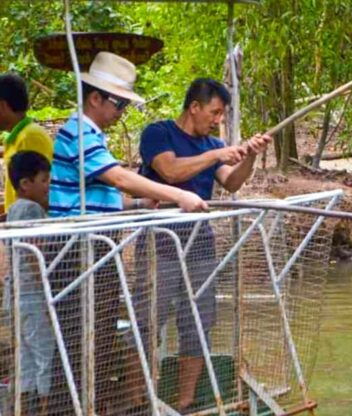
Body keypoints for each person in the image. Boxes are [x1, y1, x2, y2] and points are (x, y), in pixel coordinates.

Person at [46, 52, 207, 414]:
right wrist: (178, 194)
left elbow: (98, 194)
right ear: (95, 98)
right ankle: (69, 408)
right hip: (76, 250)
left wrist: (136, 207)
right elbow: (117, 177)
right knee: (77, 337)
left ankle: (92, 404)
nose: (122, 111)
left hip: (97, 248)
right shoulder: (78, 131)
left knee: (99, 333)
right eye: (118, 103)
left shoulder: (94, 134)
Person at [132, 78, 270, 411]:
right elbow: (170, 172)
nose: (217, 120)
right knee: (148, 321)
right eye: (214, 112)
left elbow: (232, 181)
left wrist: (249, 156)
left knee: (198, 322)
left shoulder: (211, 143)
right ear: (194, 107)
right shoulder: (159, 133)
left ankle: (185, 402)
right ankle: (139, 400)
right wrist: (216, 154)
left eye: (222, 114)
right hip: (160, 242)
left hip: (200, 244)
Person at [3, 151, 54, 415]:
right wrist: (48, 295)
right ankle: (45, 408)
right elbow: (36, 258)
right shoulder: (33, 210)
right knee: (45, 355)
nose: (49, 186)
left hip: (15, 295)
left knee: (25, 357)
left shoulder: (13, 209)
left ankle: (23, 408)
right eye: (44, 180)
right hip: (33, 296)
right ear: (26, 183)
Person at [0, 74, 53, 213]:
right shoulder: (15, 138)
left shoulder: (31, 136)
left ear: (3, 105)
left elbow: (39, 191)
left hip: (30, 226)